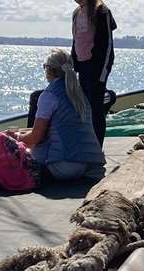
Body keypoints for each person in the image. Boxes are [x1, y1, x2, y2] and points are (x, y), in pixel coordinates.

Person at [13, 49, 105, 183]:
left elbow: (35, 138)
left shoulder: (49, 96)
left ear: (49, 70)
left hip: (63, 165)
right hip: (89, 165)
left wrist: (14, 137)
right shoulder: (79, 94)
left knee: (17, 154)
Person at [66, 0, 115, 144]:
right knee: (83, 106)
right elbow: (76, 41)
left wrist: (102, 73)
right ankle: (86, 143)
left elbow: (106, 45)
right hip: (82, 66)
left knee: (95, 108)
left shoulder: (101, 12)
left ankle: (97, 146)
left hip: (97, 67)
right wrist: (72, 65)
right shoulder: (76, 13)